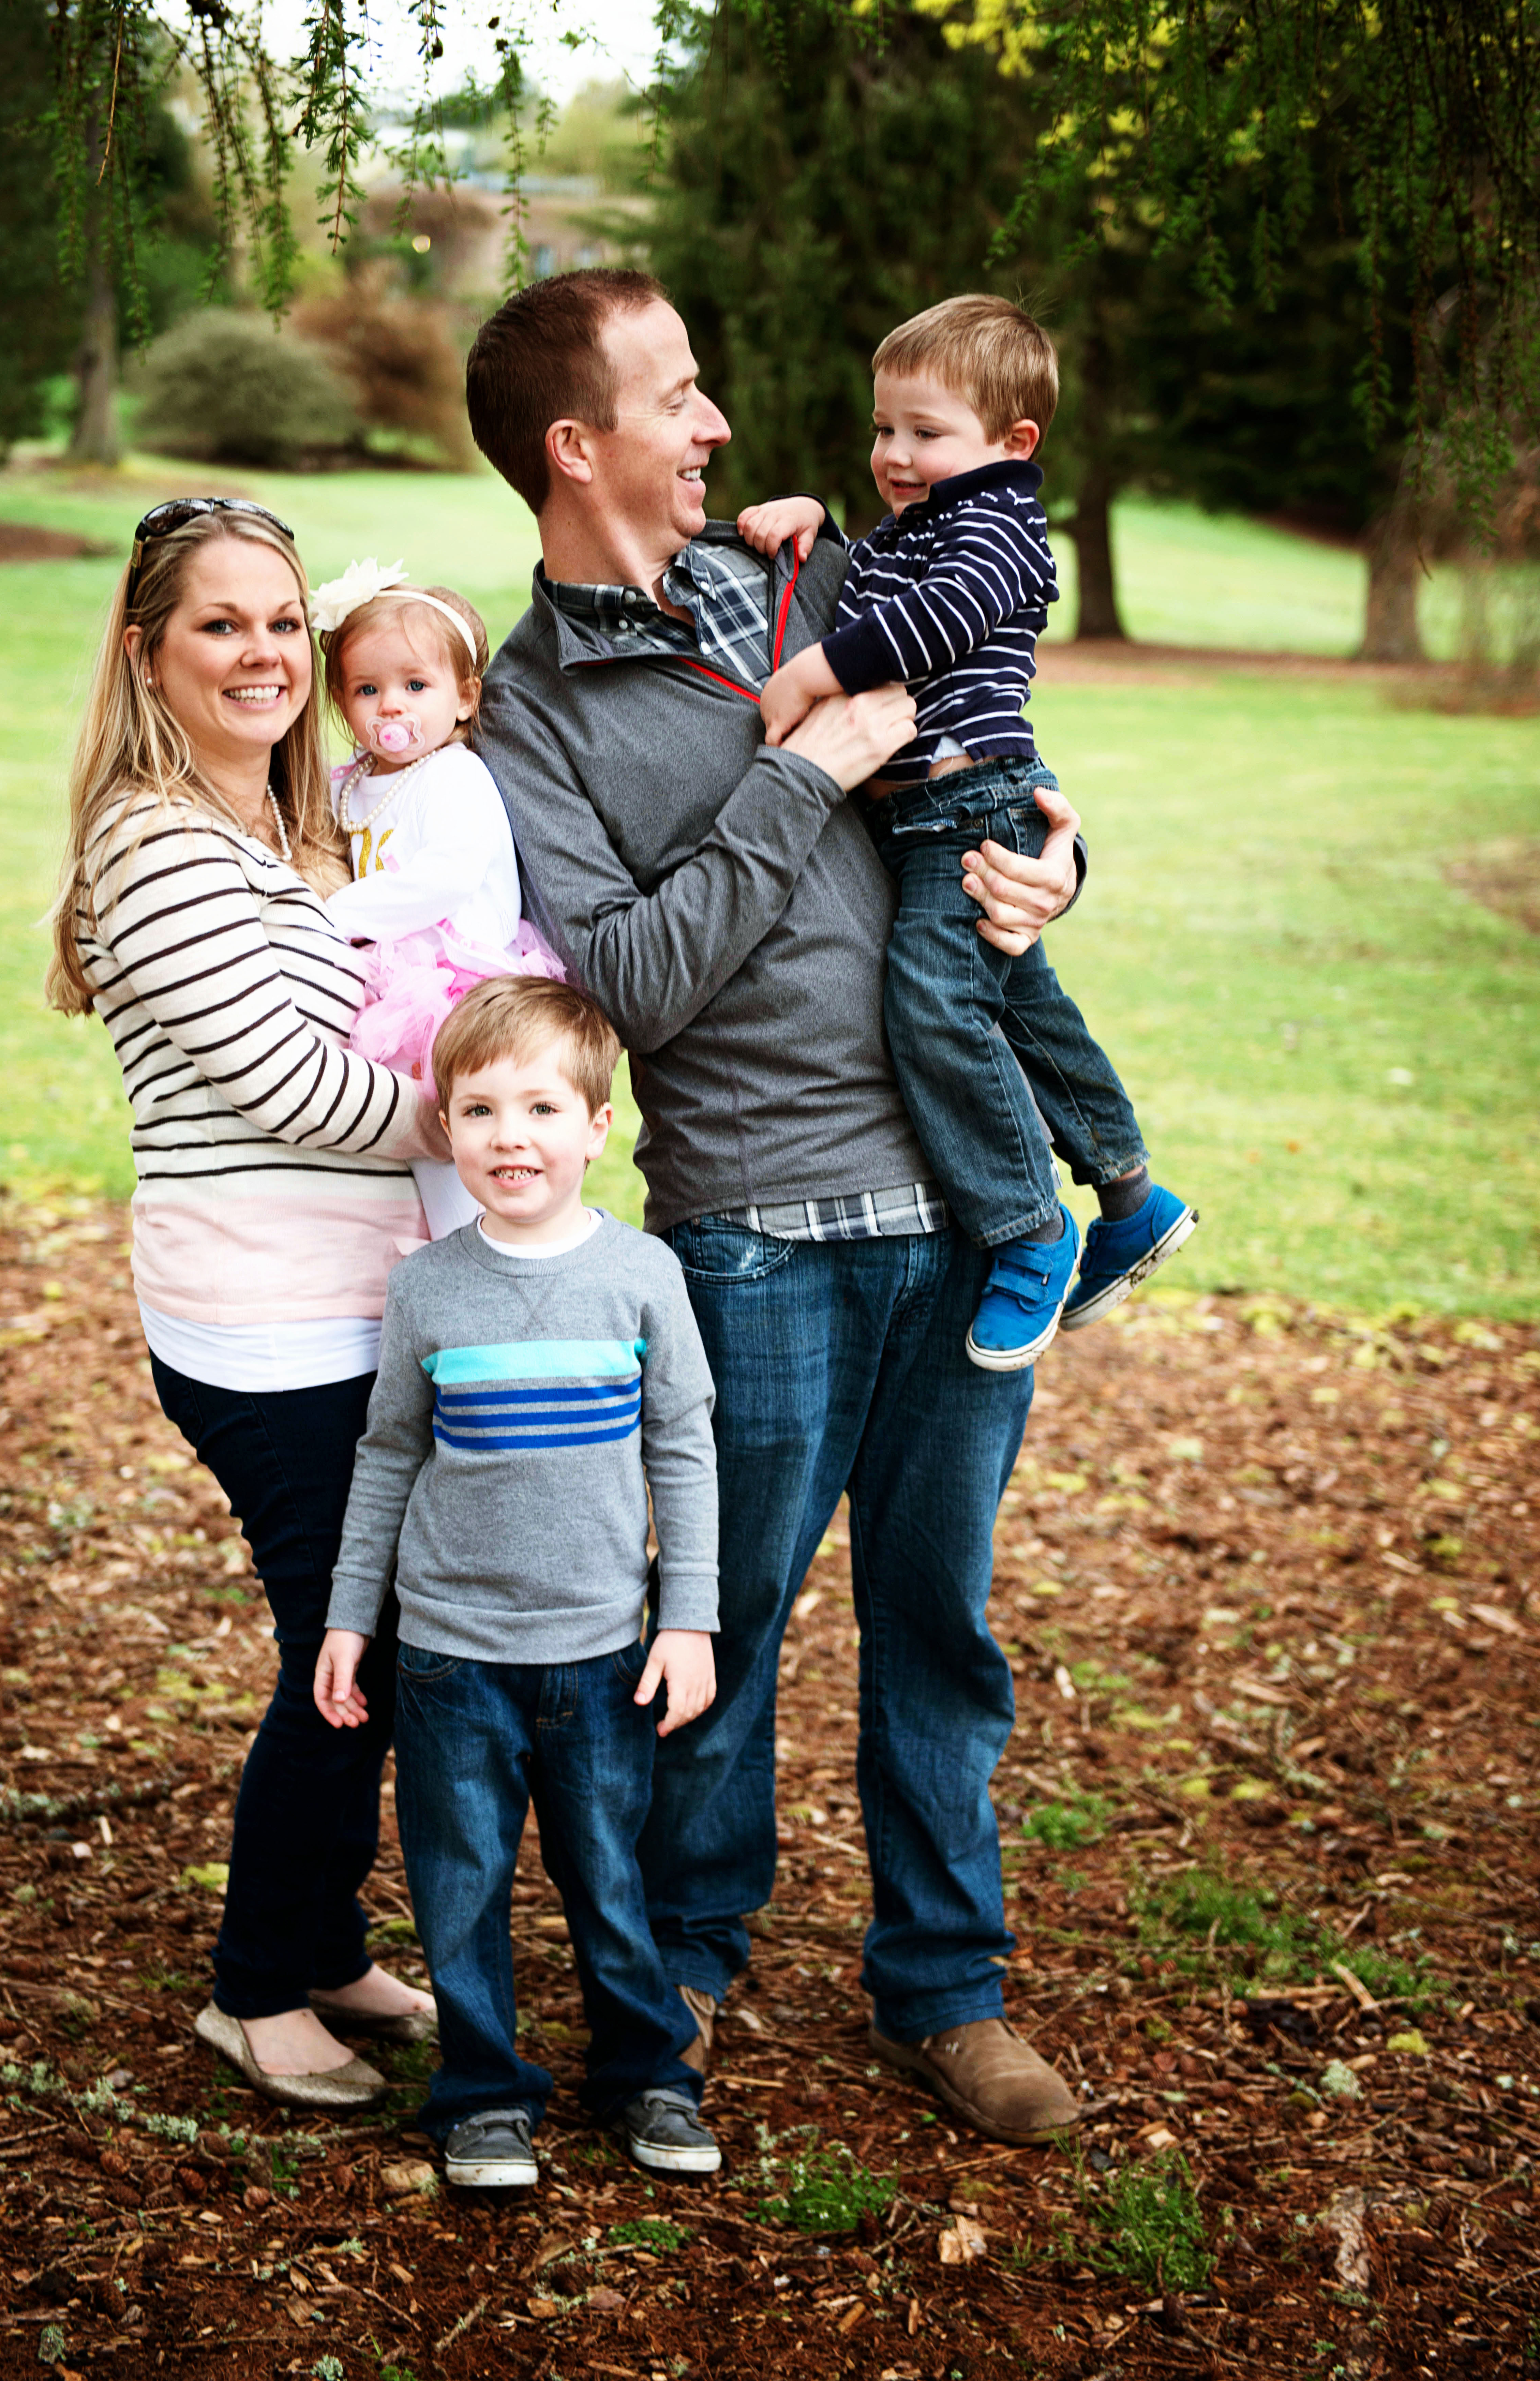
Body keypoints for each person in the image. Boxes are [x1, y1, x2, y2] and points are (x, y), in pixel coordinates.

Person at [464, 269, 1083, 2144]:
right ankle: (685, 1961)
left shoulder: (811, 573)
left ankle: (944, 1987)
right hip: (754, 1234)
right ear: (577, 447)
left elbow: (985, 755)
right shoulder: (527, 712)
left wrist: (1060, 865)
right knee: (717, 1621)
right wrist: (798, 773)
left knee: (939, 1621)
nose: (720, 422)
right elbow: (633, 983)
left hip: (966, 1213)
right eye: (678, 393)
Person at [45, 498, 442, 2109]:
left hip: (354, 1305)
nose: (265, 653)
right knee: (349, 1648)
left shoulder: (300, 829)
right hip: (264, 1323)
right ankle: (255, 1985)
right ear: (150, 653)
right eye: (222, 624)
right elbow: (298, 1086)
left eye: (284, 622)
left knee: (375, 1640)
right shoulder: (154, 846)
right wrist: (502, 1123)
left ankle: (324, 1938)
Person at [314, 975, 721, 2190]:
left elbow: (684, 1446)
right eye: (481, 1111)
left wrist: (689, 1618)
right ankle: (484, 2095)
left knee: (609, 1878)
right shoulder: (428, 1288)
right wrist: (351, 1618)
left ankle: (647, 2075)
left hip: (600, 1654)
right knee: (461, 1885)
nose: (511, 1138)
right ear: (446, 1126)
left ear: (598, 1126)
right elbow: (389, 1454)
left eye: (542, 1109)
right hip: (450, 1658)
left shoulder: (642, 1274)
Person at [739, 294, 1197, 1371]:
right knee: (1025, 1009)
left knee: (933, 1010)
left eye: (926, 433)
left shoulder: (999, 525)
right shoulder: (925, 528)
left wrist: (808, 676)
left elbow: (934, 620)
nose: (895, 454)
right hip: (937, 818)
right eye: (883, 428)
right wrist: (819, 523)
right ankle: (1131, 1197)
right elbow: (877, 586)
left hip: (969, 807)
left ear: (1014, 443)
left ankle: (1029, 1228)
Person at [311, 556, 565, 1241]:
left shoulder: (454, 775)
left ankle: (484, 1250)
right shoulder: (348, 783)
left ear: (464, 698)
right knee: (410, 1143)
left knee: (458, 1145)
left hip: (456, 988)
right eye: (367, 689)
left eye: (415, 685)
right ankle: (441, 1254)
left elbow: (445, 877)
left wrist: (335, 918)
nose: (391, 705)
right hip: (394, 984)